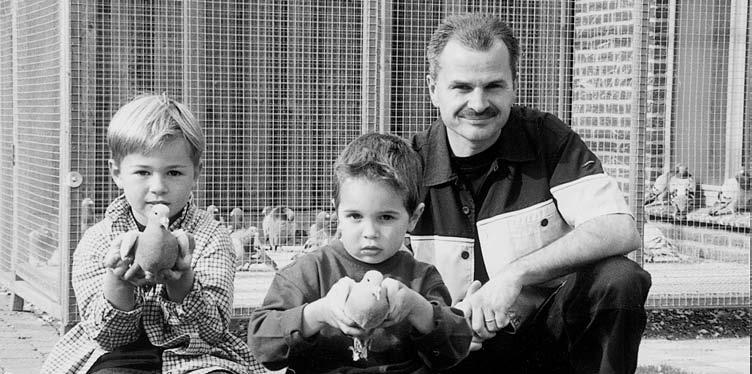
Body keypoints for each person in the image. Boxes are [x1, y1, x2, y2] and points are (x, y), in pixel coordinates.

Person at [408, 14, 652, 373]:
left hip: (541, 342)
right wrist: (443, 323)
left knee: (620, 279)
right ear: (433, 89)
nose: (478, 104)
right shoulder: (409, 163)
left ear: (514, 85)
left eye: (493, 85)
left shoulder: (548, 139)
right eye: (461, 87)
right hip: (446, 349)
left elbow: (619, 228)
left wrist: (513, 276)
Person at [41, 94, 264, 374]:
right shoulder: (99, 240)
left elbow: (211, 333)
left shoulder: (211, 236)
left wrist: (183, 283)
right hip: (116, 356)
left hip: (195, 356)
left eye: (173, 173)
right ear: (117, 173)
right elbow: (107, 337)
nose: (158, 187)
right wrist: (119, 281)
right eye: (143, 172)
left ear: (196, 173)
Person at [248, 133, 472, 373]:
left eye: (386, 217)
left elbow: (456, 347)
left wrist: (417, 308)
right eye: (355, 216)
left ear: (414, 218)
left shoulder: (421, 278)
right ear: (337, 214)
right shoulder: (309, 272)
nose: (370, 232)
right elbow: (261, 343)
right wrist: (317, 313)